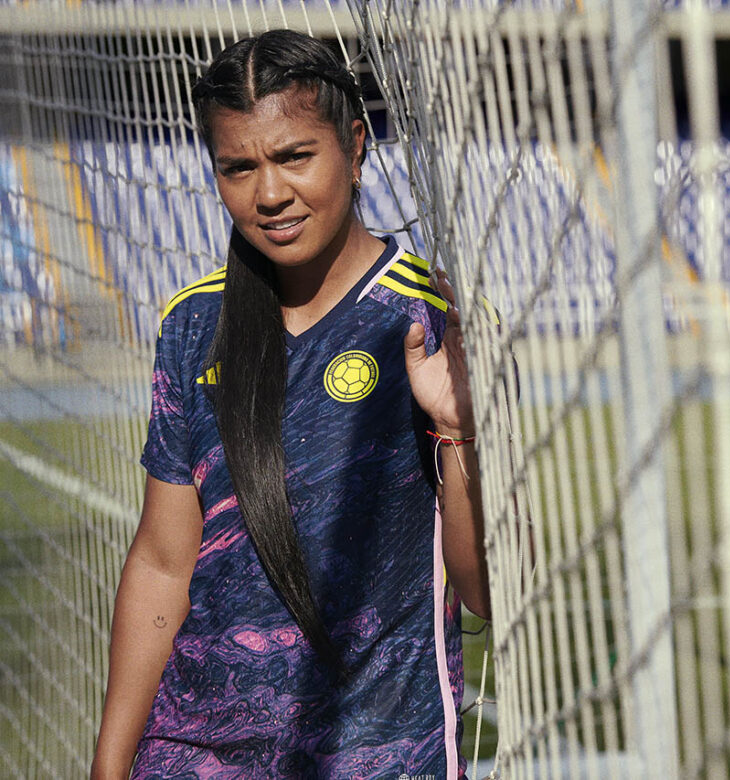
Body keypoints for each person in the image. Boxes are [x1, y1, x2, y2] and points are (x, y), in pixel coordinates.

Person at [90, 29, 489, 779]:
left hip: (377, 752)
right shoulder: (192, 326)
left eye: (294, 157)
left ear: (356, 144)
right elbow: (164, 561)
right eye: (238, 167)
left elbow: (484, 591)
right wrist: (110, 766)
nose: (269, 193)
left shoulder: (433, 321)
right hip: (191, 753)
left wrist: (457, 429)